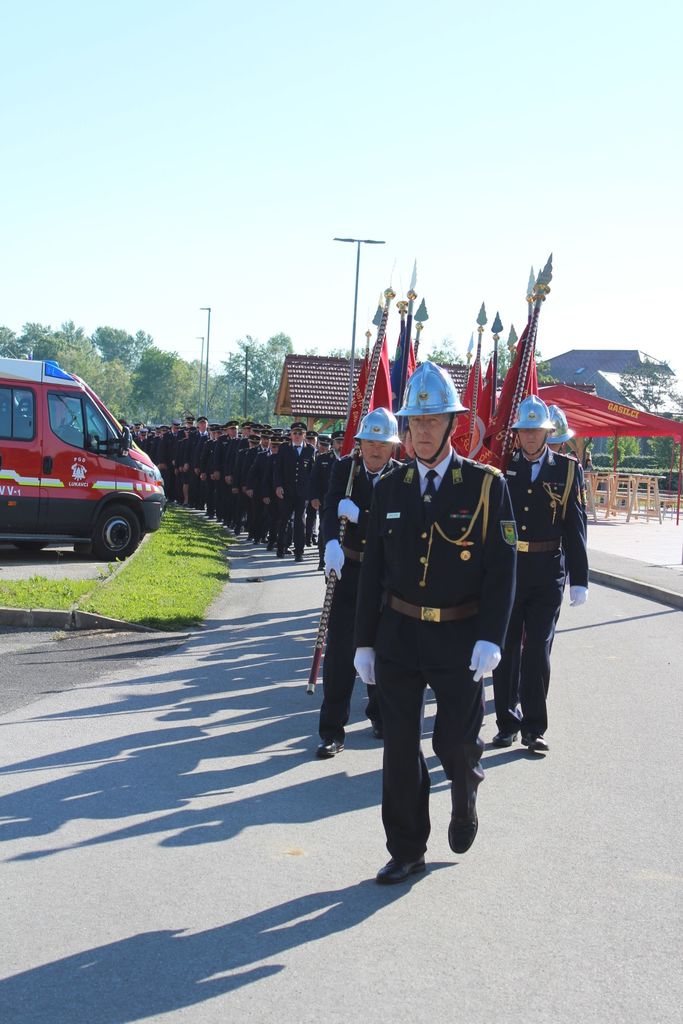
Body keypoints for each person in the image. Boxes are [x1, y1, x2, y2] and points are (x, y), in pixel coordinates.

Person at [354, 362, 517, 884]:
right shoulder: (391, 486)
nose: (422, 431)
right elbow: (373, 571)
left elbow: (502, 569)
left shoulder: (485, 486)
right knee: (400, 747)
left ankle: (465, 793)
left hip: (460, 636)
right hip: (400, 634)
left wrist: (492, 637)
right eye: (415, 421)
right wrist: (363, 641)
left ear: (452, 424)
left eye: (432, 420)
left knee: (454, 743)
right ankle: (407, 849)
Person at [491, 395, 589, 753]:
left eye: (536, 430)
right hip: (510, 570)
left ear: (547, 432)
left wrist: (580, 578)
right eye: (525, 430)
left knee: (536, 650)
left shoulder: (567, 469)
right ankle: (506, 723)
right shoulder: (503, 468)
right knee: (506, 650)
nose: (530, 436)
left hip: (548, 572)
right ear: (517, 433)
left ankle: (534, 727)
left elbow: (575, 525)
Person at [316, 408, 402, 759]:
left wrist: (361, 517)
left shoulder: (403, 477)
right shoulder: (344, 469)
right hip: (348, 571)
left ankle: (379, 715)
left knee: (382, 649)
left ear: (393, 446)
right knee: (339, 654)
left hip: (384, 576)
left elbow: (395, 528)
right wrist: (329, 544)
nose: (375, 450)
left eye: (382, 444)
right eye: (369, 442)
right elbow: (329, 509)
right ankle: (331, 731)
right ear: (360, 443)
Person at [273, 421, 315, 561]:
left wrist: (311, 491)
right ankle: (281, 548)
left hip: (302, 493)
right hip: (286, 491)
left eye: (300, 433)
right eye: (294, 433)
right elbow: (277, 470)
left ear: (304, 435)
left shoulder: (310, 450)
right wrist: (278, 486)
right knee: (284, 520)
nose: (297, 436)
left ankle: (299, 551)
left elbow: (312, 472)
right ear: (291, 435)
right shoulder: (284, 448)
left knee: (300, 521)